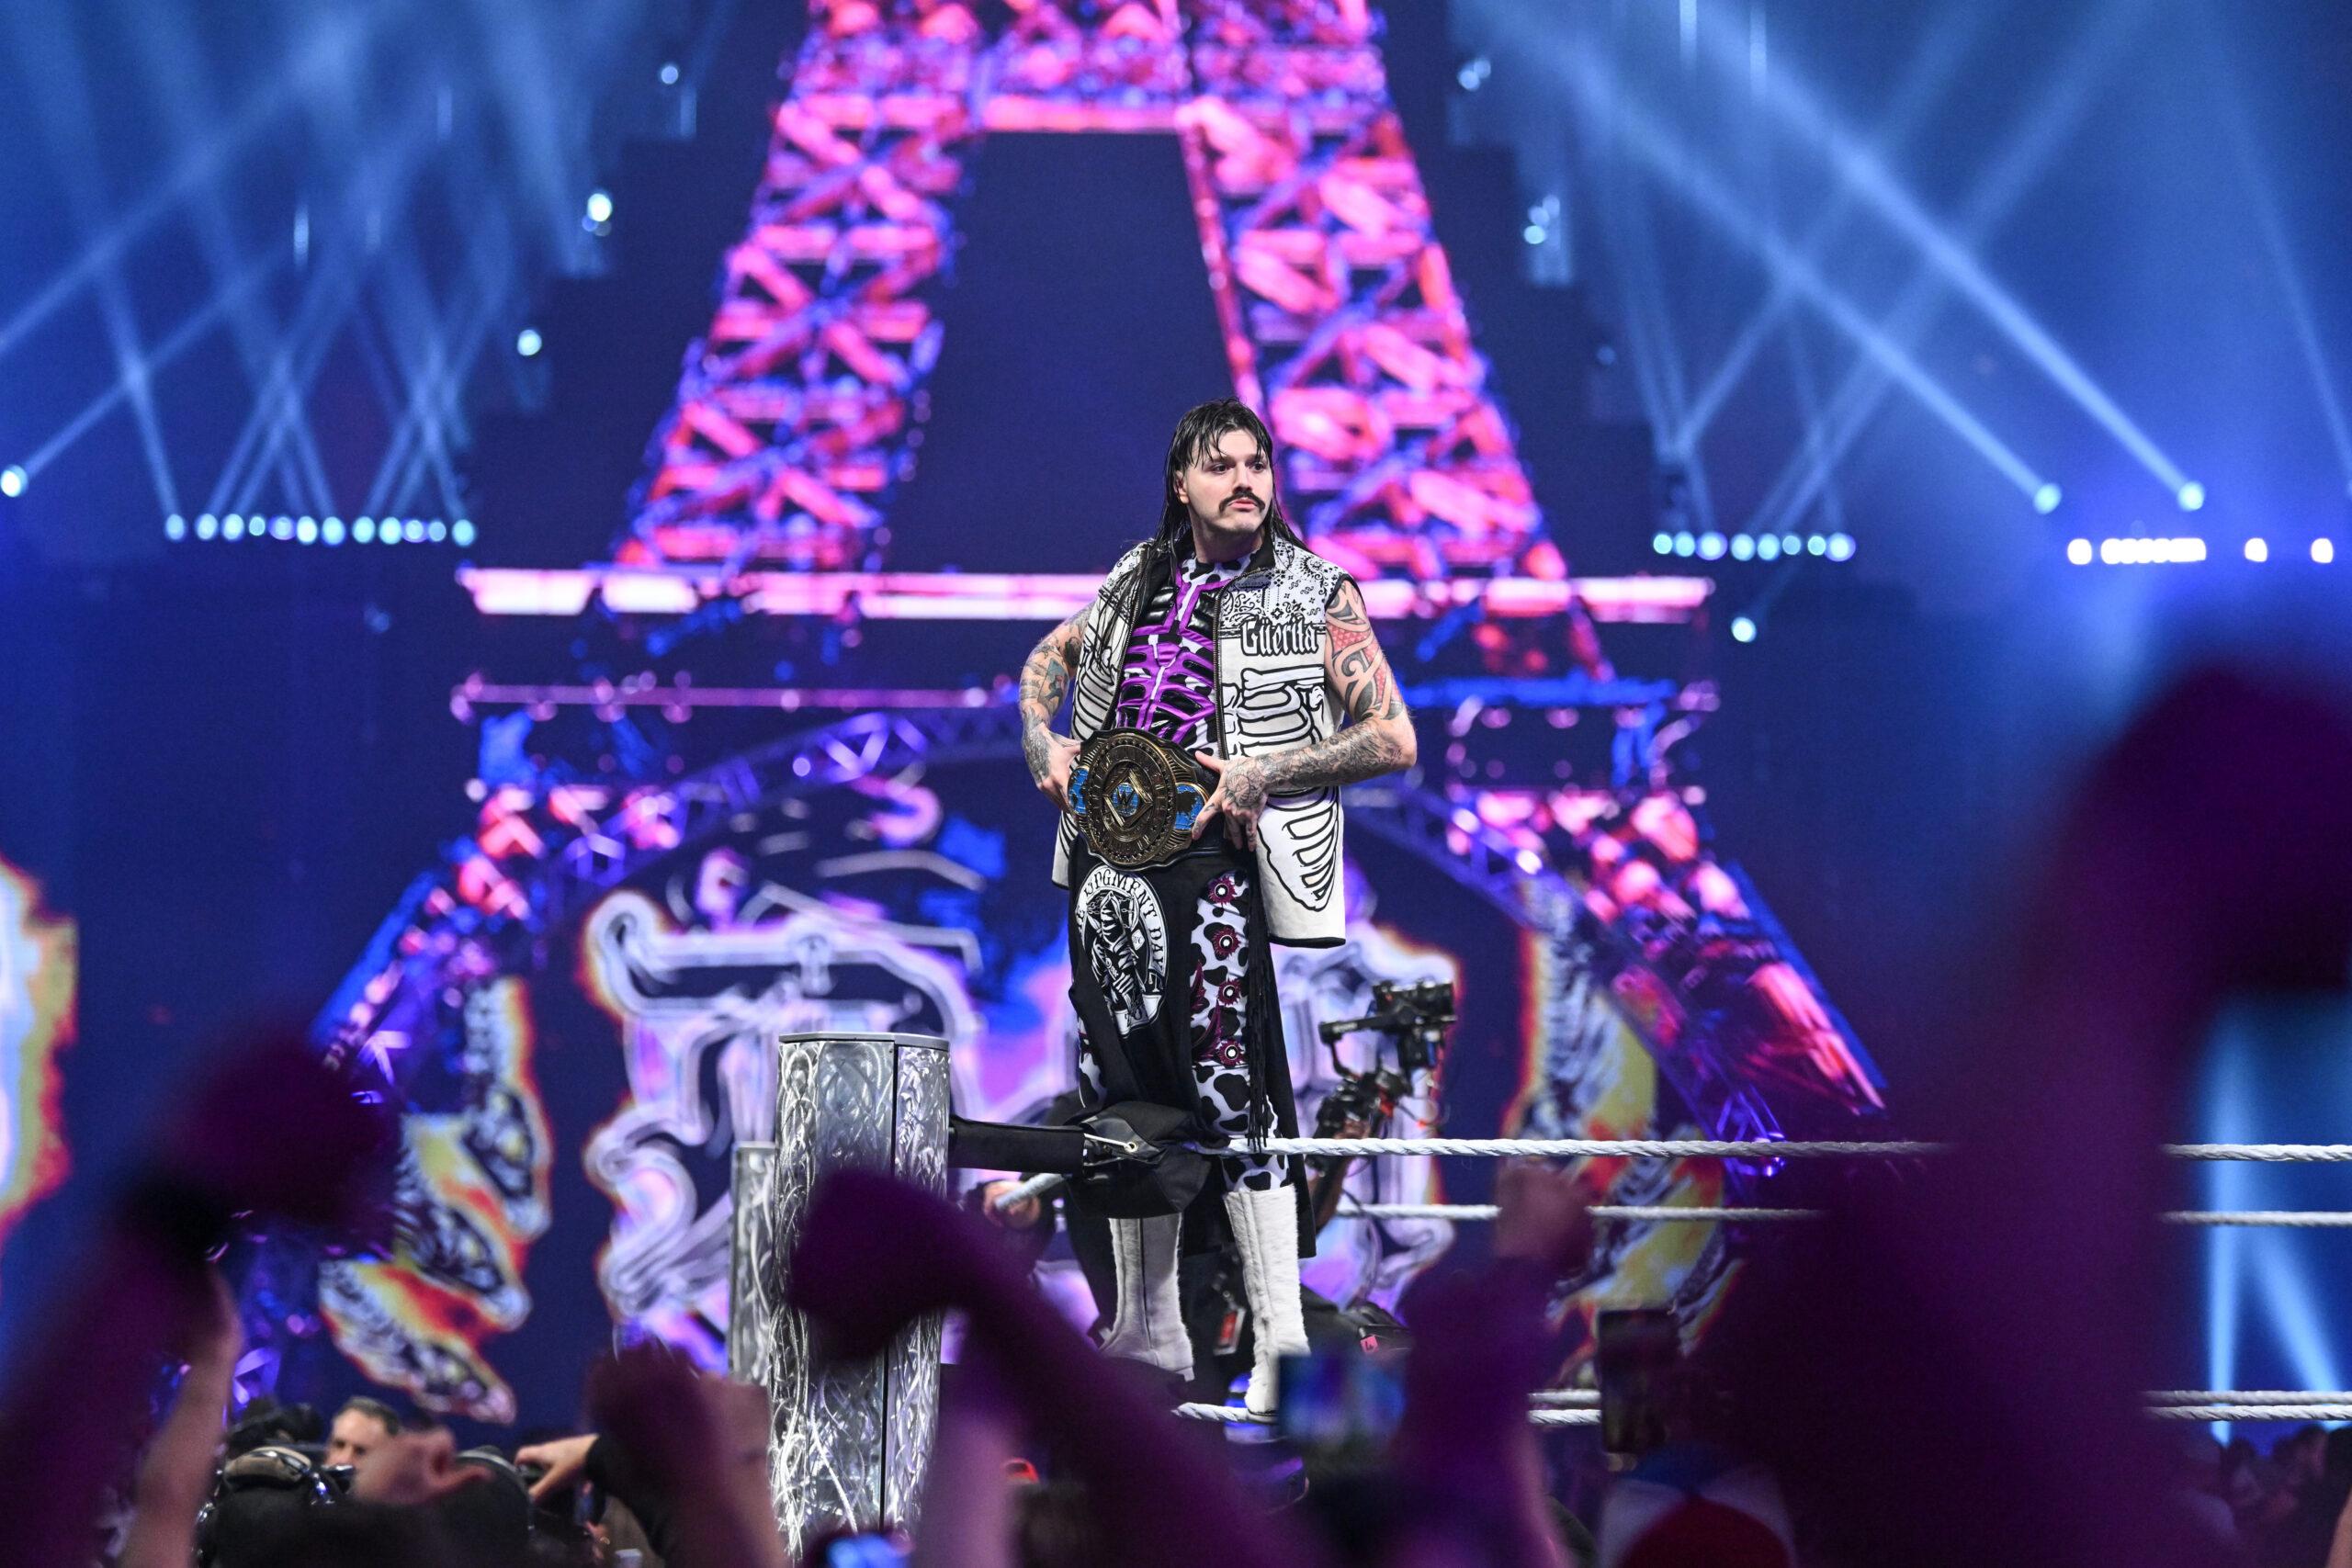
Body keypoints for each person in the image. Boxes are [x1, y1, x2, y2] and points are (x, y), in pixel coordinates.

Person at [1016, 398, 1416, 1411]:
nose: (1245, 480)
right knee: (1120, 1100)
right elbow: (1044, 662)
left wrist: (1265, 770)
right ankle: (1149, 1327)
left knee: (1236, 1094)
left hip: (1211, 873)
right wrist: (1041, 739)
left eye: (1258, 464)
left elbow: (1393, 736)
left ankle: (1281, 1336)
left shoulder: (1314, 590)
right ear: (1180, 484)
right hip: (1108, 870)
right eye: (1222, 465)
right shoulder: (1133, 577)